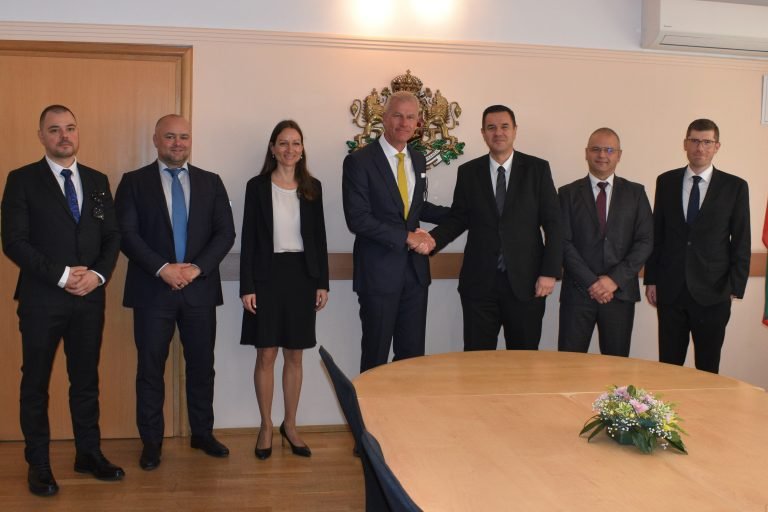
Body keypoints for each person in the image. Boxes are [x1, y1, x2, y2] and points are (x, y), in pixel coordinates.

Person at [1, 105, 124, 497]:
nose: (64, 136)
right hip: (42, 299)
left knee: (85, 380)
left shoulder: (97, 180)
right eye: (54, 129)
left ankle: (88, 453)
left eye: (70, 128)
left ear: (77, 132)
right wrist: (61, 275)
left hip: (89, 298)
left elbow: (112, 236)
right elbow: (14, 242)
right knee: (35, 383)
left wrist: (98, 275)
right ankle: (38, 463)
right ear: (41, 136)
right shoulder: (21, 180)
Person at [115, 114, 236, 469]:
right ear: (156, 140)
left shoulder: (211, 182)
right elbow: (126, 234)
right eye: (169, 136)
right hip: (152, 290)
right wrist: (163, 268)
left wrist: (196, 269)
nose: (177, 143)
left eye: (183, 136)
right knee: (150, 369)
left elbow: (225, 233)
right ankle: (151, 442)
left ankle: (202, 433)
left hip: (200, 291)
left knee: (202, 366)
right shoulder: (134, 182)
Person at [427, 105, 562, 351]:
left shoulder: (537, 170)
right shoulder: (468, 172)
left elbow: (555, 225)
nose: (498, 132)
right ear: (483, 133)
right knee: (478, 362)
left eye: (504, 126)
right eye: (491, 127)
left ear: (515, 130)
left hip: (527, 284)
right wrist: (431, 240)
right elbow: (458, 218)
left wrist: (550, 272)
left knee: (524, 362)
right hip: (479, 286)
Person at [240, 120, 329, 460]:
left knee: (295, 354)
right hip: (266, 276)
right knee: (266, 354)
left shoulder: (312, 187)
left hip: (302, 277)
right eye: (283, 143)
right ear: (273, 148)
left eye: (296, 143)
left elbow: (319, 238)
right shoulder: (257, 187)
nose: (290, 149)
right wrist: (247, 286)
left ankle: (290, 425)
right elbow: (249, 238)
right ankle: (265, 426)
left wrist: (322, 282)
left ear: (302, 149)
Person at [342, 91, 449, 372]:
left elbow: (413, 208)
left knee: (412, 361)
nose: (404, 123)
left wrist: (461, 213)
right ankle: (367, 405)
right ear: (385, 118)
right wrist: (407, 237)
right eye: (398, 115)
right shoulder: (359, 161)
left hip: (415, 276)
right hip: (378, 276)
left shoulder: (417, 159)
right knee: (375, 359)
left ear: (418, 122)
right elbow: (358, 219)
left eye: (410, 117)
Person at [644, 119, 750, 373]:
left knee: (708, 368)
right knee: (669, 367)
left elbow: (741, 239)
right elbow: (657, 234)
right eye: (694, 141)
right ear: (685, 144)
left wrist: (734, 286)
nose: (700, 148)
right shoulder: (666, 181)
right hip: (671, 290)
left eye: (706, 142)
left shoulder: (735, 186)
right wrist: (652, 279)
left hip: (714, 293)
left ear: (716, 146)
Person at [557, 128, 653, 356]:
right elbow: (562, 242)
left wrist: (613, 280)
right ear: (586, 153)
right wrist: (592, 283)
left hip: (620, 294)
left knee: (617, 366)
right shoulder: (567, 193)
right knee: (568, 365)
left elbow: (645, 241)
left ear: (619, 155)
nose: (602, 155)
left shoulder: (636, 193)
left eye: (609, 150)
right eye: (596, 149)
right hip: (578, 293)